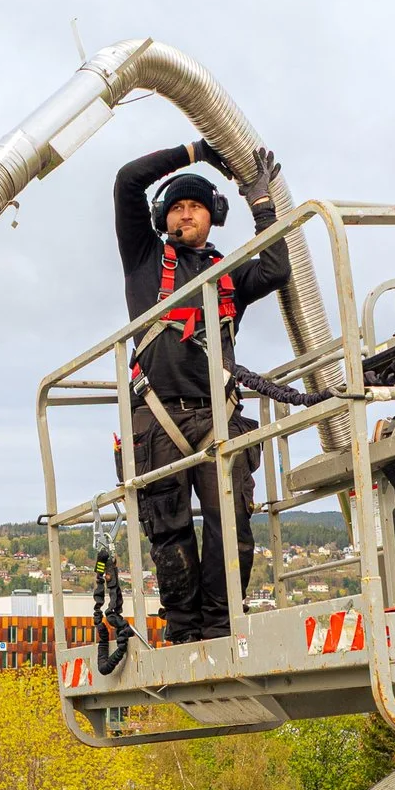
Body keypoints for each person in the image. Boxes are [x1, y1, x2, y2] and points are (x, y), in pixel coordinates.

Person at [113, 139, 291, 642]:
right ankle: (185, 631)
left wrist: (263, 205)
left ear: (212, 217)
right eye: (176, 207)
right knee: (169, 532)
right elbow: (128, 178)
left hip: (218, 414)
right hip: (157, 415)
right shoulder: (144, 259)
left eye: (195, 206)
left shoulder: (227, 274)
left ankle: (220, 627)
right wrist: (196, 151)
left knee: (231, 527)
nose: (185, 214)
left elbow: (276, 268)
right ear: (161, 218)